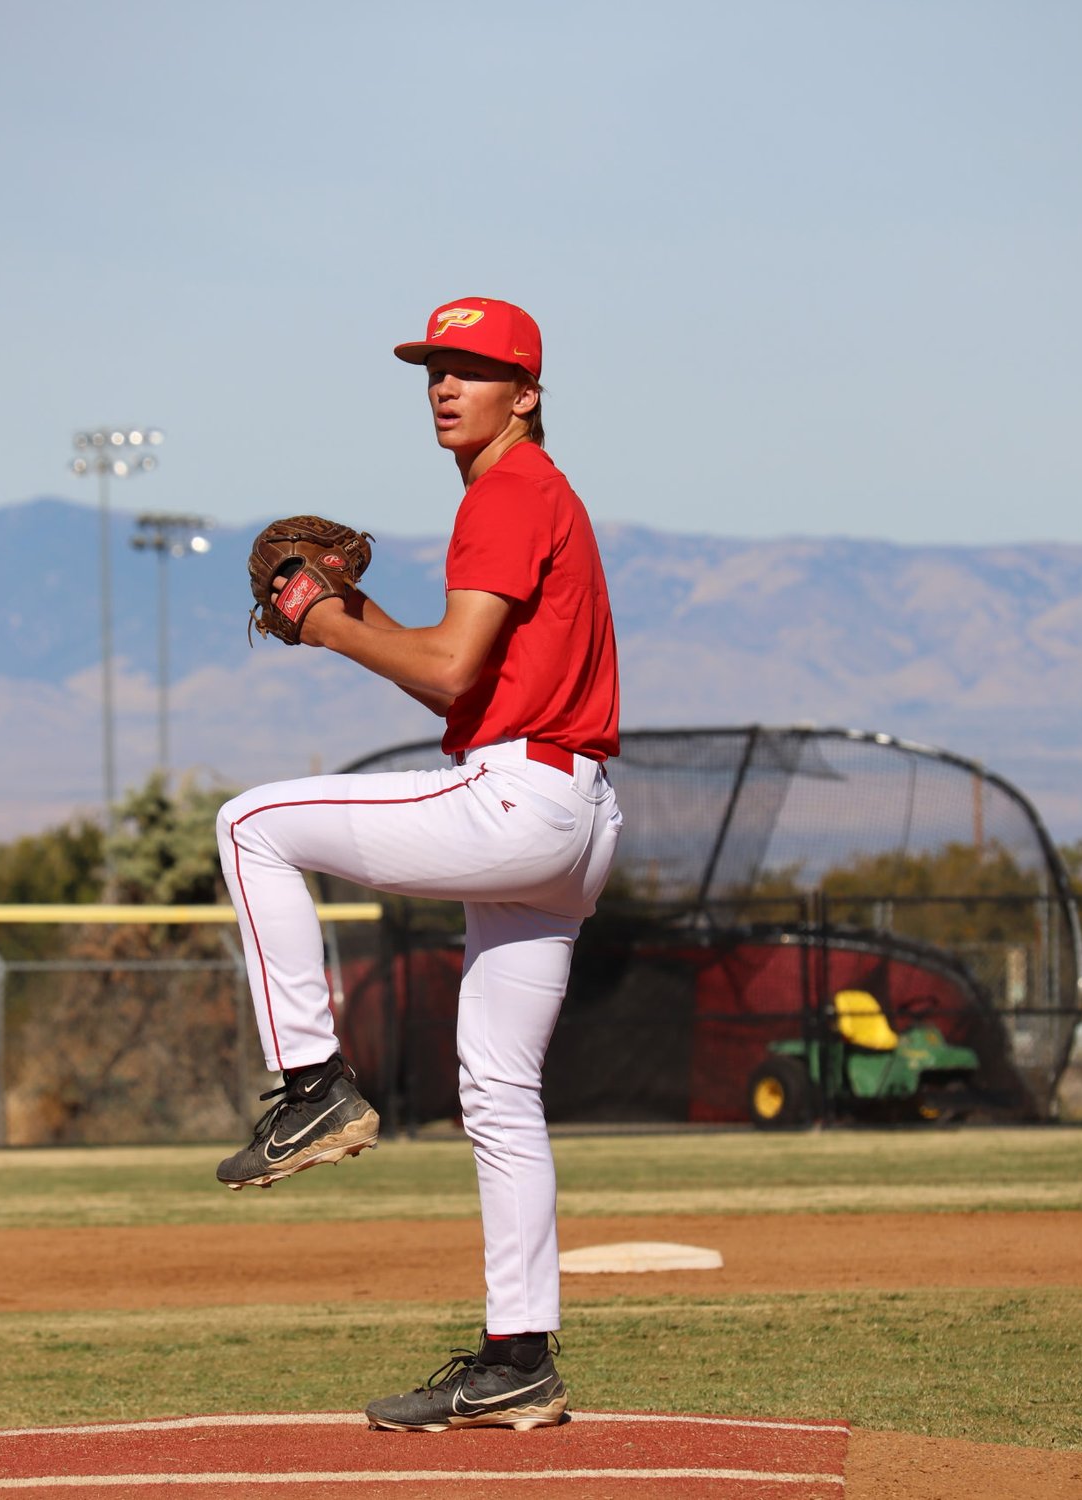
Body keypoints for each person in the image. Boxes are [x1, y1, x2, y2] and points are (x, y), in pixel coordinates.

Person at [216, 296, 622, 1432]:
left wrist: (326, 624)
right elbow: (457, 667)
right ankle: (519, 1359)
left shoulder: (505, 492)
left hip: (517, 802)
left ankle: (313, 1088)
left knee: (252, 825)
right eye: (435, 366)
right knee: (498, 1089)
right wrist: (352, 613)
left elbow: (447, 679)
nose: (446, 384)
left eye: (474, 367)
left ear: (525, 393)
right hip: (574, 816)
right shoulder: (539, 499)